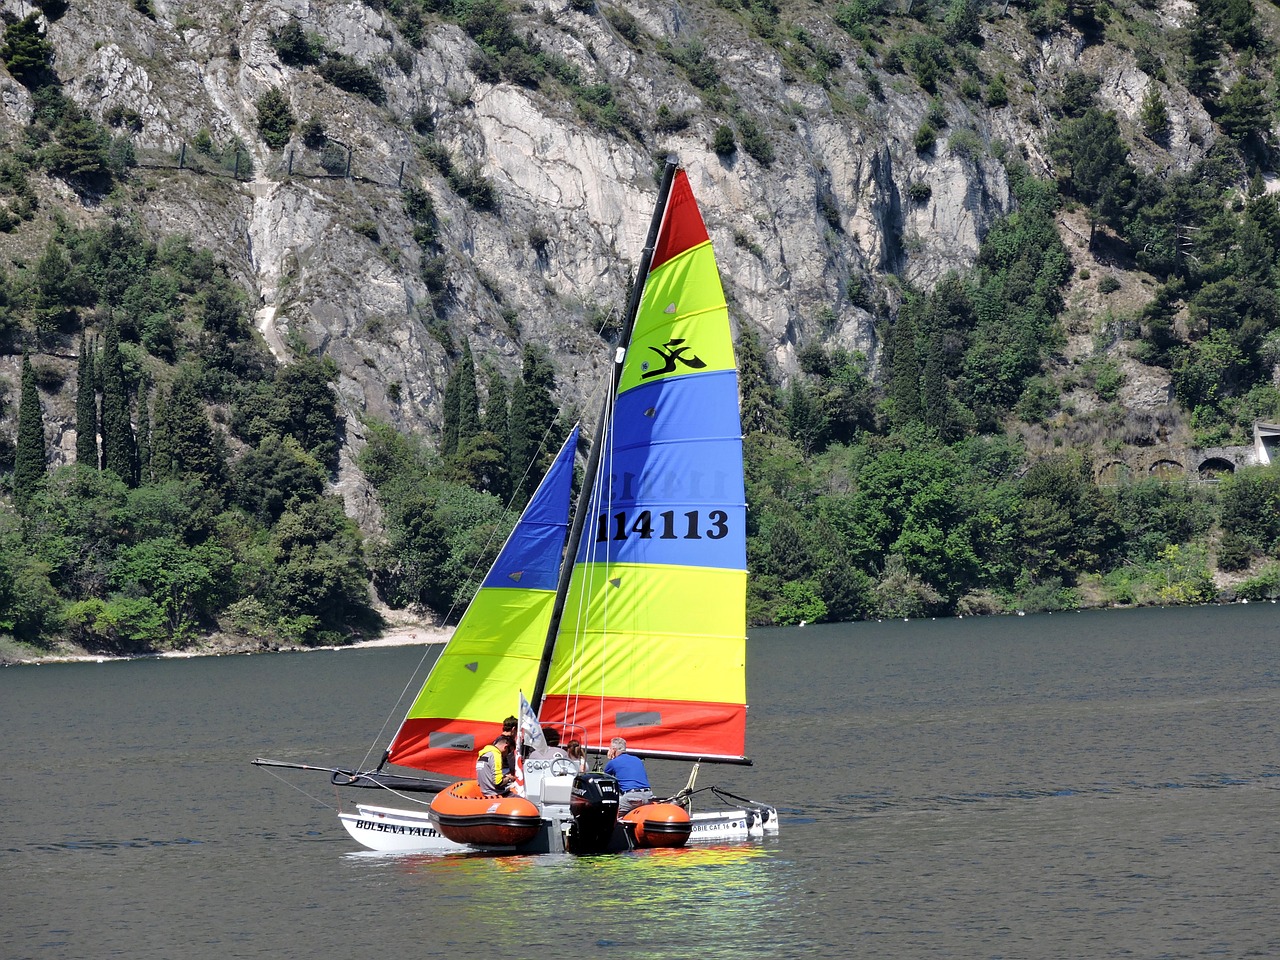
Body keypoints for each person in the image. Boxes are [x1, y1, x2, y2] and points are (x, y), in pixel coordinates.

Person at [604, 736, 654, 813]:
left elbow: (605, 777)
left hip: (632, 797)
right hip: (648, 796)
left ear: (613, 750)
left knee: (608, 813)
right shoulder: (637, 759)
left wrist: (611, 759)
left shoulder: (613, 762)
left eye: (609, 749)